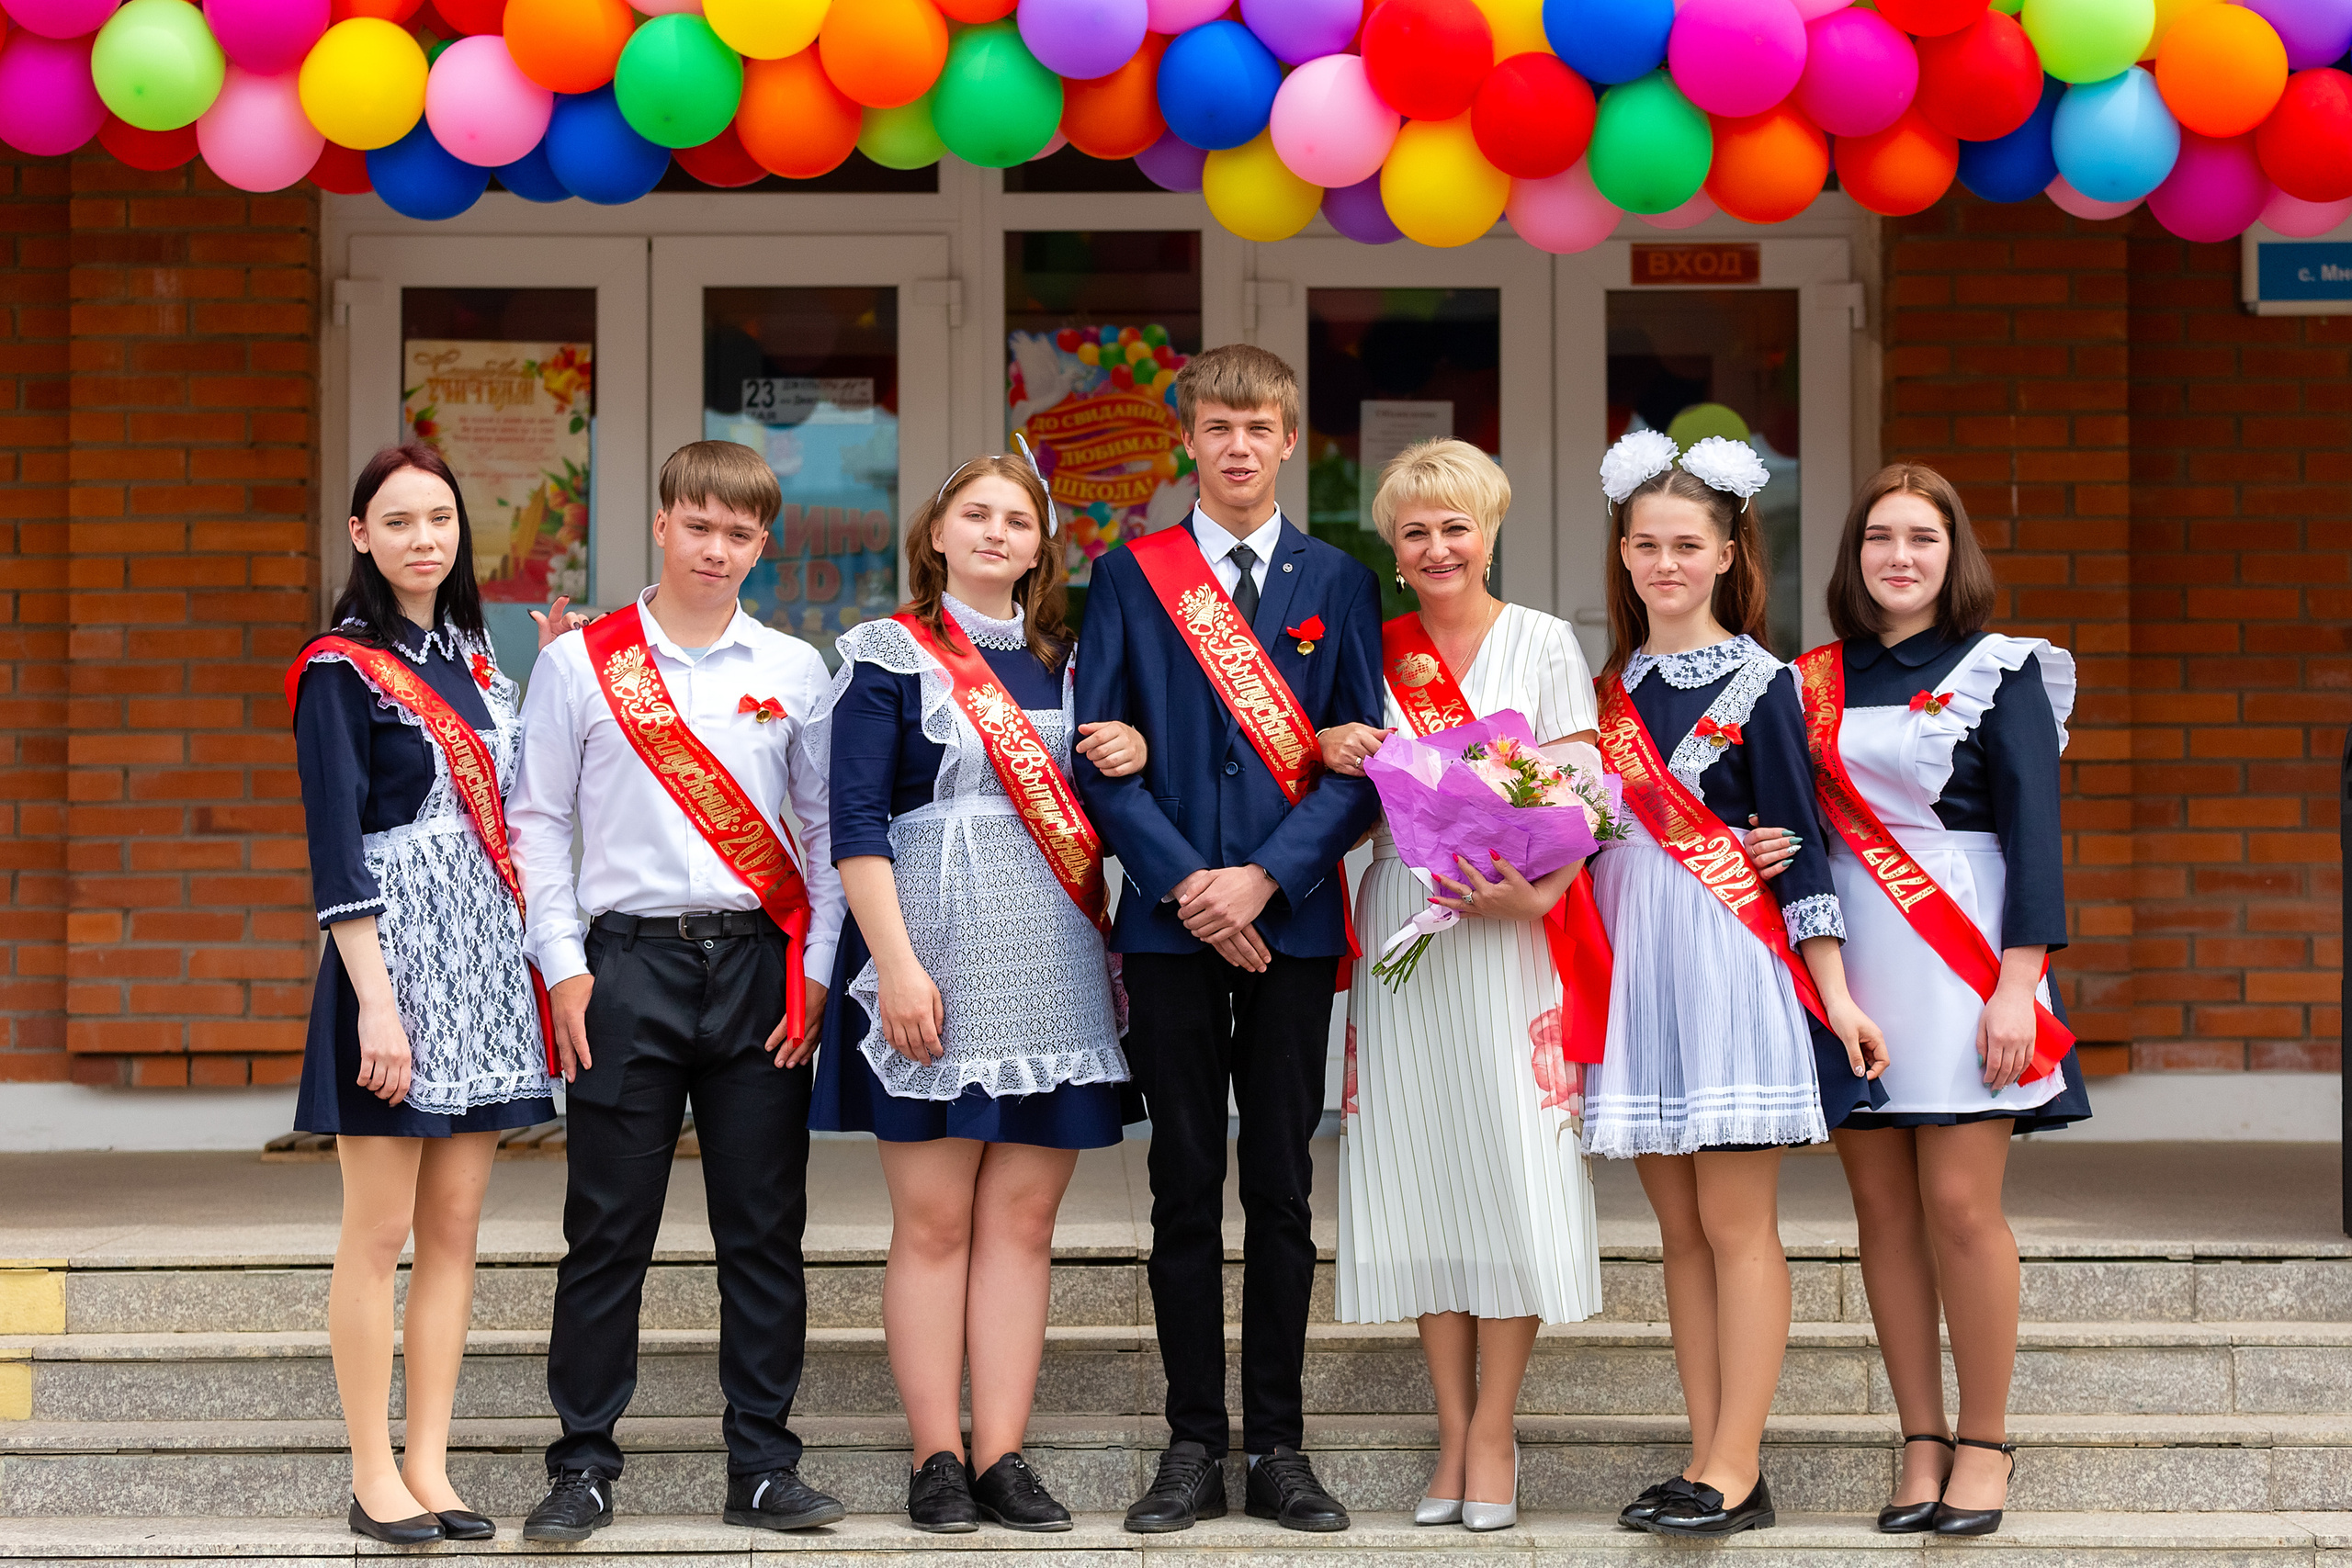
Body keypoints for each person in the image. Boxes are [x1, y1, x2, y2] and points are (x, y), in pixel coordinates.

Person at [804, 449, 1149, 1533]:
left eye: (1018, 519)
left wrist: (1132, 744)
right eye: (976, 514)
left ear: (1040, 547)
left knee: (1024, 1222)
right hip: (932, 961)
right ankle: (936, 1458)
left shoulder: (1076, 662)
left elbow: (1112, 797)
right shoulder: (887, 654)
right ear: (938, 534)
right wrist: (896, 965)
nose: (997, 532)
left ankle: (1002, 1453)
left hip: (1052, 964)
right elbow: (854, 825)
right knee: (934, 1221)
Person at [1741, 464, 2089, 1538]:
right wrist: (1755, 844)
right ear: (1853, 557)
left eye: (1922, 538)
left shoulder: (2002, 668)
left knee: (1959, 1207)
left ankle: (1985, 1443)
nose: (1899, 556)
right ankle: (1920, 1442)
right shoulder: (1806, 682)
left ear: (1953, 554)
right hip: (1852, 960)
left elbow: (2036, 839)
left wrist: (2017, 985)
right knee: (1882, 1214)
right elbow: (1779, 819)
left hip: (1969, 956)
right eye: (1879, 537)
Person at [508, 440, 847, 1540]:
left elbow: (827, 836)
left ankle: (763, 1464)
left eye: (739, 534)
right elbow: (537, 822)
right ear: (661, 525)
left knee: (764, 1230)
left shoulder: (794, 667)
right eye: (698, 526)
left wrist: (817, 970)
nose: (715, 549)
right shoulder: (581, 665)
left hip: (758, 972)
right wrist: (563, 965)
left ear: (762, 544)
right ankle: (582, 1465)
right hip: (625, 966)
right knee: (607, 1230)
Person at [1074, 344, 1384, 1535]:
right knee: (1184, 1183)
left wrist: (1262, 880)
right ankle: (1194, 1444)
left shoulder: (1339, 580)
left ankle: (1282, 1448)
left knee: (1283, 1188)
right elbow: (1098, 751)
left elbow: (1359, 761)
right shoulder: (1128, 575)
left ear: (1289, 440)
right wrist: (1188, 885)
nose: (1239, 446)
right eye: (1218, 426)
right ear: (1188, 441)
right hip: (1169, 926)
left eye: (1259, 427)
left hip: (1290, 921)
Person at [1582, 430, 1887, 1539]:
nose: (1664, 564)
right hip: (1636, 962)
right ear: (1623, 554)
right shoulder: (1605, 692)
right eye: (1645, 545)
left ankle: (1735, 1462)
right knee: (1676, 1231)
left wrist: (1835, 995)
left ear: (1725, 554)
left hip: (1725, 961)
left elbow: (1801, 850)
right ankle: (1706, 1454)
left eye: (1686, 545)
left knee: (1735, 1222)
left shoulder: (1765, 684)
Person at [1315, 439, 1603, 1533]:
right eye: (1415, 532)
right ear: (1392, 553)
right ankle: (1449, 1428)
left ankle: (1495, 1430)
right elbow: (1340, 787)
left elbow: (1583, 789)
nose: (1437, 548)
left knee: (1511, 1160)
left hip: (1514, 929)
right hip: (1409, 914)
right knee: (1420, 1164)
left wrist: (1538, 897)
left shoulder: (1543, 641)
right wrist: (1331, 745)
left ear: (1489, 534)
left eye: (1455, 527)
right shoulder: (1371, 650)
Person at [288, 443, 558, 1545]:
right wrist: (378, 1003)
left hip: (480, 962)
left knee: (453, 1229)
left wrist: (561, 677)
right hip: (389, 967)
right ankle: (371, 1474)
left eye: (439, 518)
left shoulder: (479, 665)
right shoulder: (339, 669)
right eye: (397, 522)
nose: (422, 539)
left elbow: (530, 811)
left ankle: (430, 1465)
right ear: (361, 536)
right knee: (380, 1228)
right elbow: (337, 847)